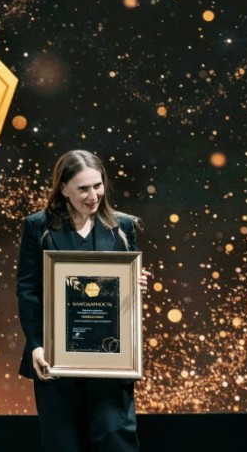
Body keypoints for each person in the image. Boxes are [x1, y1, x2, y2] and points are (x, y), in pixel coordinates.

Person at [16, 149, 151, 452]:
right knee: (63, 443)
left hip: (109, 357)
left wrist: (134, 283)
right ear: (63, 188)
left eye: (98, 186)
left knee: (115, 438)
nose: (93, 196)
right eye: (83, 189)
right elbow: (28, 291)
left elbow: (121, 289)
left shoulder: (123, 227)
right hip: (55, 357)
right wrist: (36, 345)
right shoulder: (38, 227)